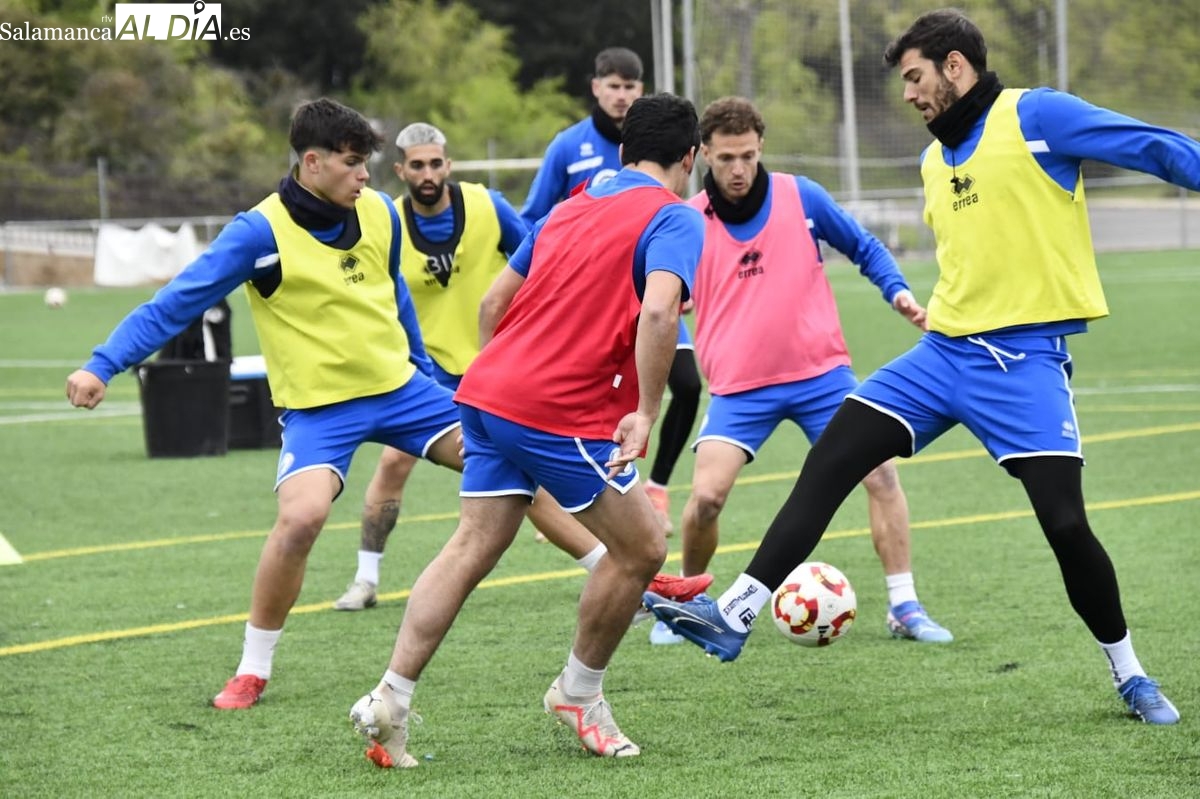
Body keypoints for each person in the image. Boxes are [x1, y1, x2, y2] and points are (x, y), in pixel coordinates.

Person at [645, 8, 1199, 725]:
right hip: (942, 355)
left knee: (1065, 523)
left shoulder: (1039, 116)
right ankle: (736, 614)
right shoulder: (934, 160)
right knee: (835, 457)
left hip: (1024, 363)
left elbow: (1152, 146)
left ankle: (1130, 673)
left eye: (915, 77)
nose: (908, 94)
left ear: (956, 67)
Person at [64, 98, 472, 710]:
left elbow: (395, 298)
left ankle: (618, 568)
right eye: (354, 163)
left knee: (505, 453)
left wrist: (424, 368)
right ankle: (253, 669)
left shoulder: (382, 212)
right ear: (312, 162)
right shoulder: (259, 232)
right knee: (301, 519)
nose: (366, 176)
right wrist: (103, 364)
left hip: (402, 389)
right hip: (320, 409)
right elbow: (175, 303)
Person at [349, 93, 705, 766]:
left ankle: (391, 698)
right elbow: (660, 315)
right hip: (552, 408)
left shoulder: (570, 208)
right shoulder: (674, 216)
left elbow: (492, 301)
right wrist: (647, 411)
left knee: (473, 543)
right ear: (691, 158)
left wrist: (498, 378)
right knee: (644, 547)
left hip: (484, 394)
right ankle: (579, 691)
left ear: (624, 152)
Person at [334, 122, 711, 613]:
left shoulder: (487, 206)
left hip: (494, 366)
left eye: (436, 162)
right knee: (398, 466)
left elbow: (534, 258)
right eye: (417, 165)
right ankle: (366, 579)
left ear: (448, 164)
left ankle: (626, 578)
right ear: (402, 170)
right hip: (446, 372)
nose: (428, 173)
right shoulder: (388, 222)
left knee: (510, 501)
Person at [650, 95, 950, 648]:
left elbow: (864, 247)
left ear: (760, 147)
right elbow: (658, 301)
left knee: (881, 475)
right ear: (702, 157)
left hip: (822, 378)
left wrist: (900, 294)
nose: (738, 169)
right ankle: (691, 602)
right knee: (707, 499)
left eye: (746, 155)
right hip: (739, 390)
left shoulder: (800, 195)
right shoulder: (686, 221)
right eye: (724, 159)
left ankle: (905, 605)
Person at [522, 46, 701, 537]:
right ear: (596, 87)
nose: (621, 94)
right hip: (591, 302)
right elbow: (534, 218)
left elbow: (663, 299)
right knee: (599, 391)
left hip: (649, 299)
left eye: (629, 86)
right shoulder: (568, 147)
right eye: (613, 85)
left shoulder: (664, 175)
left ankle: (654, 490)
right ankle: (584, 493)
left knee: (685, 384)